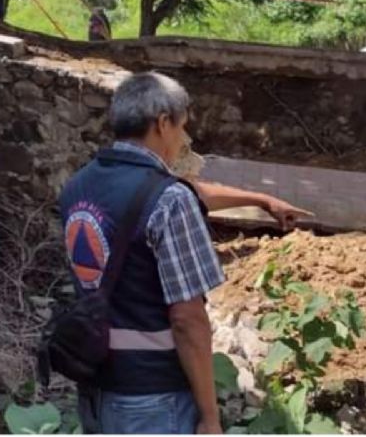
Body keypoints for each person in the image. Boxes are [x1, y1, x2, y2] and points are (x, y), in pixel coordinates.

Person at [58, 71, 311, 434]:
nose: (183, 140)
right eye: (182, 127)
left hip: (94, 386)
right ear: (162, 124)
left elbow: (182, 192)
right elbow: (188, 321)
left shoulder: (78, 186)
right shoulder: (169, 201)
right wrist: (210, 416)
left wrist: (262, 199)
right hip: (152, 399)